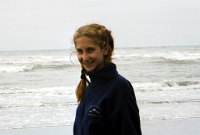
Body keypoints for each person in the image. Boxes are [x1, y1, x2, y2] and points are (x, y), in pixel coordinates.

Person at [72, 23, 142, 135]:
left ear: (105, 49)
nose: (84, 57)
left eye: (90, 50)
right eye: (80, 51)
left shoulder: (119, 87)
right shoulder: (90, 88)